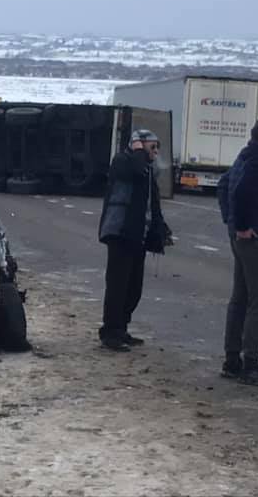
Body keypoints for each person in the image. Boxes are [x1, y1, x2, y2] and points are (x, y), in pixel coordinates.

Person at [217, 119, 258, 387]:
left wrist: (232, 222)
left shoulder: (244, 156)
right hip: (253, 238)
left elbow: (224, 186)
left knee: (240, 299)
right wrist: (243, 226)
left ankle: (232, 360)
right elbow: (242, 192)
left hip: (240, 237)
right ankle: (250, 365)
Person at [97, 128, 172, 351]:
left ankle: (121, 328)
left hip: (138, 234)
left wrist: (161, 228)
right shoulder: (123, 161)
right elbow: (135, 171)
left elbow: (153, 202)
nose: (156, 152)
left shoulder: (147, 170)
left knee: (133, 288)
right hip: (120, 233)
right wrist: (139, 151)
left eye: (157, 147)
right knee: (117, 286)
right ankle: (110, 332)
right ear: (138, 145)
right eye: (152, 147)